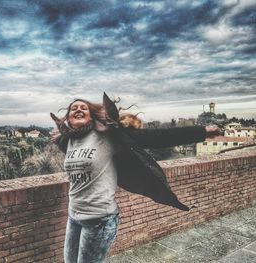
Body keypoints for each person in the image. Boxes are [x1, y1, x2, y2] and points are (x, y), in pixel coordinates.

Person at [50, 93, 219, 263]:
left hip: (99, 220)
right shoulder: (68, 141)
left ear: (91, 115)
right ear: (68, 118)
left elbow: (157, 137)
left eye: (83, 107)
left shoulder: (108, 136)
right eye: (74, 108)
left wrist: (201, 132)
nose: (78, 109)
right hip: (74, 216)